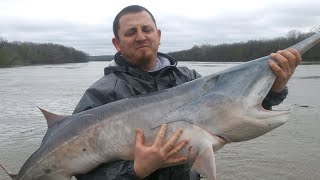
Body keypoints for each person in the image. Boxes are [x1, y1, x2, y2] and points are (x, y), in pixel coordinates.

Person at [73, 5, 302, 180]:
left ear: (158, 35)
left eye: (147, 29)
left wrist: (275, 88)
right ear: (117, 43)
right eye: (131, 32)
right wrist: (135, 170)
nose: (141, 36)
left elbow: (234, 113)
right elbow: (79, 172)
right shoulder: (99, 95)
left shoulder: (189, 79)